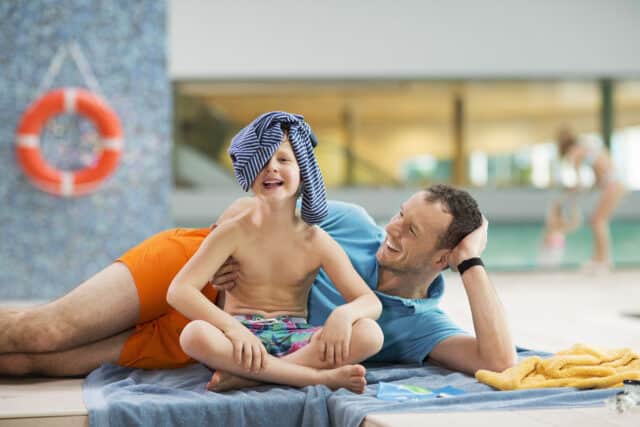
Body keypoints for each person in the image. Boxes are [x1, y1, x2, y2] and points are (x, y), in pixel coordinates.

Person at [0, 181, 515, 382]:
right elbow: (247, 208)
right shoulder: (351, 222)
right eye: (401, 213)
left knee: (34, 362)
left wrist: (472, 262)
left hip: (212, 338)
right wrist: (226, 259)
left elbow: (497, 362)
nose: (393, 228)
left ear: (444, 255)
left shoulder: (421, 325)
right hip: (192, 273)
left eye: (412, 229)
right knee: (42, 331)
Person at [166, 111, 383, 393]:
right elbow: (179, 290)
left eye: (283, 159)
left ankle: (252, 377)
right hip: (240, 339)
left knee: (370, 333)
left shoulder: (317, 240)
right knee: (195, 334)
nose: (272, 168)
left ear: (303, 171)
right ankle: (316, 377)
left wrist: (343, 316)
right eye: (263, 160)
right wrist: (231, 329)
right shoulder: (232, 232)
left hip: (297, 336)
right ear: (248, 171)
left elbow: (369, 301)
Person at [556, 127, 626, 272]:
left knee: (598, 221)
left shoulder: (575, 152)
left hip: (613, 184)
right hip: (616, 183)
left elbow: (578, 182)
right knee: (597, 220)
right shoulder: (585, 146)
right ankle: (599, 259)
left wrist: (567, 196)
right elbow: (598, 176)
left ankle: (603, 261)